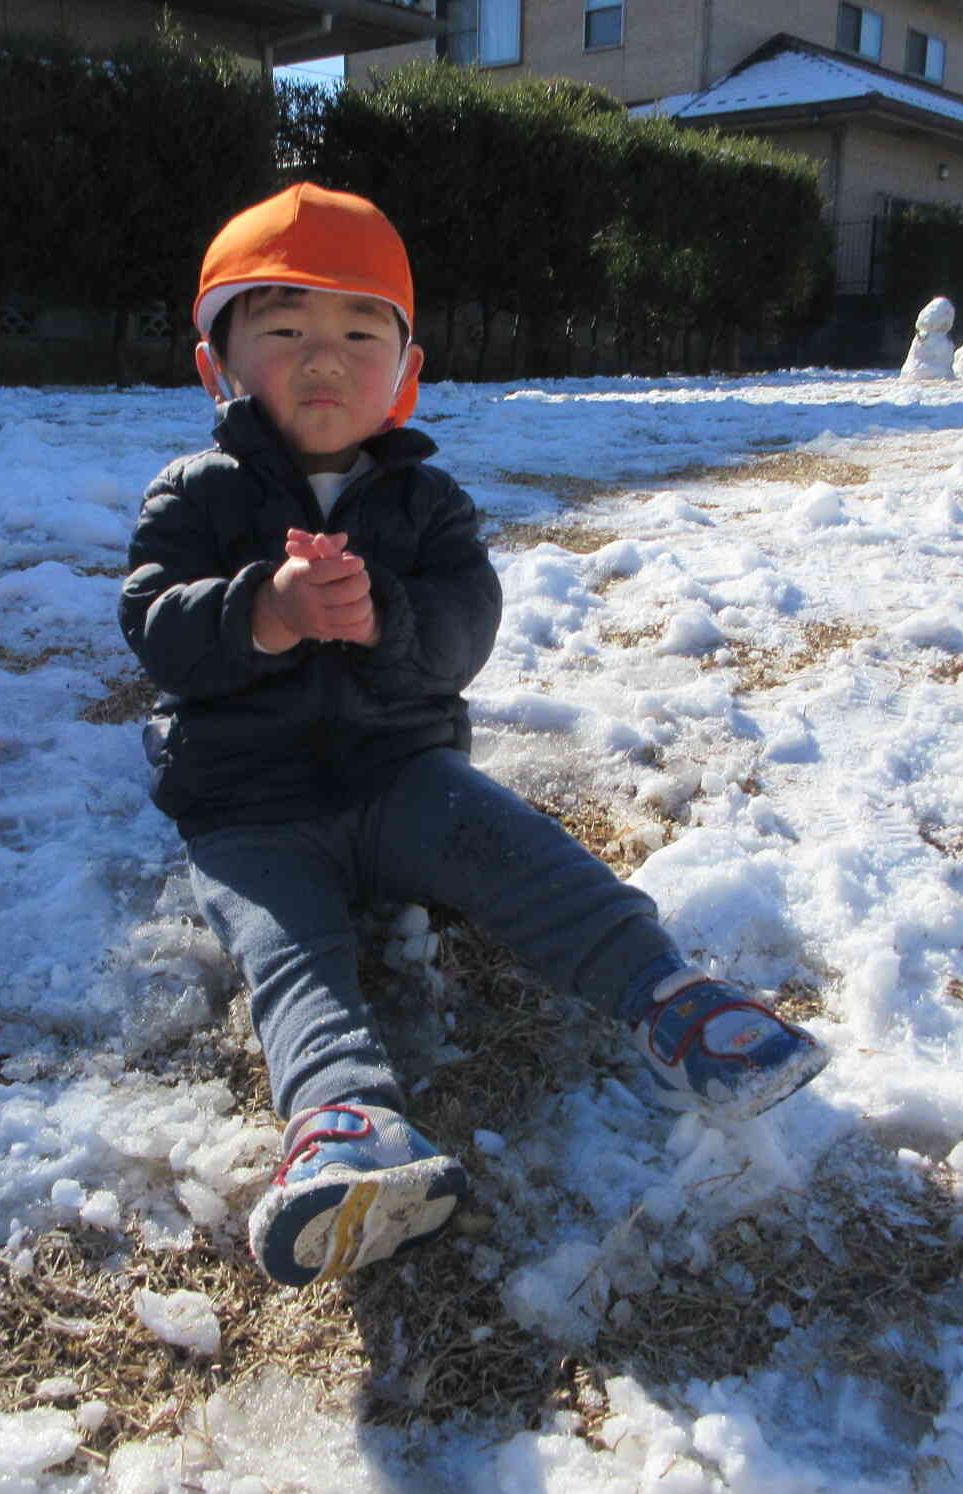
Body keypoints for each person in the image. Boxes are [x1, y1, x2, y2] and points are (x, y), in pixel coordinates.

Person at [119, 184, 830, 1289]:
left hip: (404, 774)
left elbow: (463, 634)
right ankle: (343, 1123)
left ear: (403, 369)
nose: (324, 359)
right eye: (284, 331)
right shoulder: (194, 496)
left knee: (524, 854)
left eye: (360, 332)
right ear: (216, 361)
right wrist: (263, 610)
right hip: (245, 801)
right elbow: (157, 631)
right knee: (288, 950)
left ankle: (669, 997)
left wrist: (383, 619)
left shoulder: (426, 505)